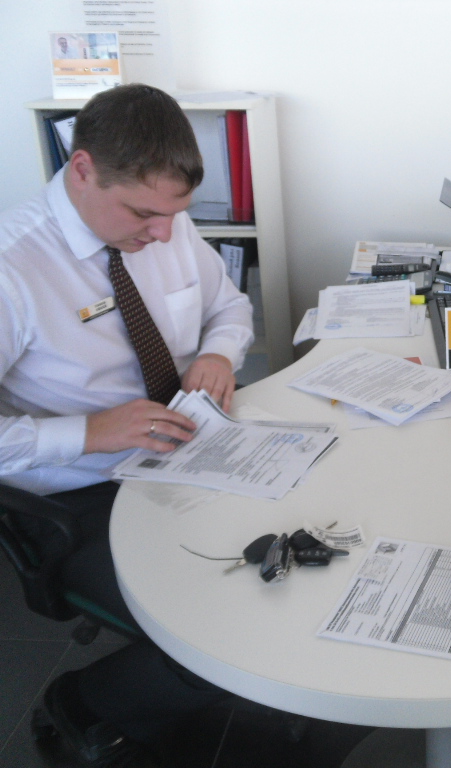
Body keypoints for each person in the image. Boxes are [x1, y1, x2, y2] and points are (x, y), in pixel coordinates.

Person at [0, 84, 253, 765]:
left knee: (295, 571)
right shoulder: (12, 267)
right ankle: (82, 705)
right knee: (226, 634)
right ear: (82, 169)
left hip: (187, 449)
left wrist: (217, 353)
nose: (163, 234)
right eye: (144, 213)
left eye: (176, 214)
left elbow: (229, 307)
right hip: (83, 490)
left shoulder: (165, 220)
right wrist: (90, 431)